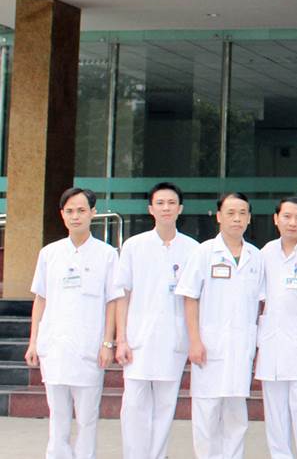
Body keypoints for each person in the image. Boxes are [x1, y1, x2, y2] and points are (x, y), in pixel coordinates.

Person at [25, 187, 120, 459]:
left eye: (81, 210)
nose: (75, 216)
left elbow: (112, 301)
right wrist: (33, 341)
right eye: (70, 211)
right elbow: (41, 299)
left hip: (90, 348)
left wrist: (108, 343)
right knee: (58, 416)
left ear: (93, 213)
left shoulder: (107, 254)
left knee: (87, 418)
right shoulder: (50, 253)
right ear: (62, 215)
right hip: (54, 345)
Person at [176, 192, 264, 459]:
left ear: (249, 218)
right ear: (218, 216)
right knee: (207, 413)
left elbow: (261, 304)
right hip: (209, 346)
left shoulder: (255, 256)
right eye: (230, 213)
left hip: (241, 347)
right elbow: (190, 298)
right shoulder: (203, 253)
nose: (237, 219)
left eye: (242, 213)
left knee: (236, 415)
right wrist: (194, 341)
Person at [114, 182, 199, 459]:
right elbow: (122, 294)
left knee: (165, 407)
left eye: (171, 203)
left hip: (174, 339)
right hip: (138, 339)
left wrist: (194, 340)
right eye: (160, 203)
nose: (166, 208)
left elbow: (196, 299)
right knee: (134, 406)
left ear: (180, 209)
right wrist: (120, 339)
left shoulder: (193, 249)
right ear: (150, 209)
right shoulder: (134, 246)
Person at [257, 197, 297, 459]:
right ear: (276, 219)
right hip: (272, 343)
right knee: (275, 414)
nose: (292, 222)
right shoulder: (265, 253)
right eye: (286, 216)